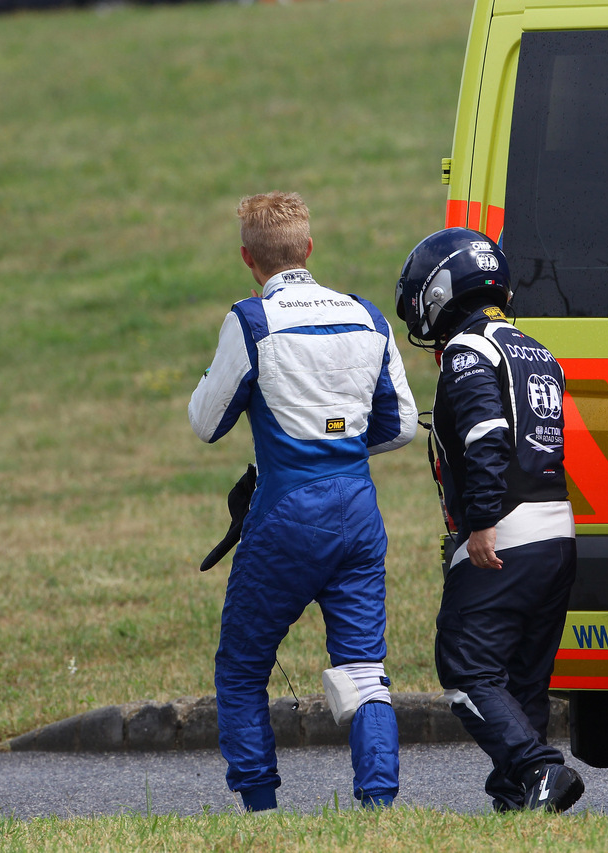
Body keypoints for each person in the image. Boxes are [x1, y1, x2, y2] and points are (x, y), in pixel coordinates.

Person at [189, 191, 417, 812]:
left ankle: (262, 808)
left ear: (247, 258)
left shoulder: (250, 320)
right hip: (357, 511)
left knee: (241, 668)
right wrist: (338, 442)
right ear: (309, 249)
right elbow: (400, 426)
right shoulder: (367, 315)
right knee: (365, 667)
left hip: (287, 511)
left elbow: (207, 423)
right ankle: (378, 805)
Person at [395, 227, 584, 813]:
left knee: (465, 665)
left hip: (505, 530)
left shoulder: (469, 351)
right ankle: (518, 794)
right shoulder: (535, 349)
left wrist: (480, 522)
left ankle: (538, 769)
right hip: (557, 531)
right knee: (523, 678)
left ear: (443, 290)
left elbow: (486, 436)